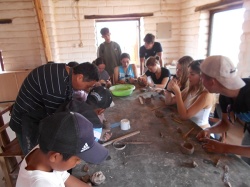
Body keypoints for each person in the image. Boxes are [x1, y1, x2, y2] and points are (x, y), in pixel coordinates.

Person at [10, 62, 99, 155]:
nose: (86, 90)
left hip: (36, 116)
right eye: (87, 86)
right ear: (80, 77)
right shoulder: (56, 85)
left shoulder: (64, 71)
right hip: (25, 123)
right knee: (34, 156)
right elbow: (56, 121)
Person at [16, 112, 109, 187]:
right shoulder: (42, 184)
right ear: (55, 156)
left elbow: (63, 177)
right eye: (77, 159)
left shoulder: (45, 149)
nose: (79, 162)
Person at [196, 55, 250, 164]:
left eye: (202, 77)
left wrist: (224, 148)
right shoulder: (225, 95)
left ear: (212, 82)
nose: (200, 80)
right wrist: (209, 130)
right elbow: (226, 123)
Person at [165, 60, 214, 129]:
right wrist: (169, 90)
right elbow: (168, 102)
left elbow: (184, 116)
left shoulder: (206, 95)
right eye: (188, 73)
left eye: (192, 74)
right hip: (187, 127)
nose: (188, 76)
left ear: (201, 76)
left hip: (200, 130)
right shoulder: (190, 89)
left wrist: (178, 93)